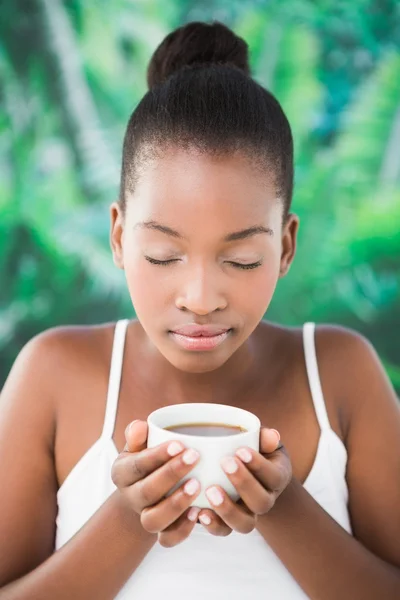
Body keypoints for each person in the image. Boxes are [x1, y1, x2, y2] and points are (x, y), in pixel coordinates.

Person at [0, 20, 399, 600]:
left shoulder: (340, 374)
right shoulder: (54, 375)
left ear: (285, 247)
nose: (201, 298)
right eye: (164, 255)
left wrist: (283, 508)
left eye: (239, 260)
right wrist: (126, 520)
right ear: (118, 236)